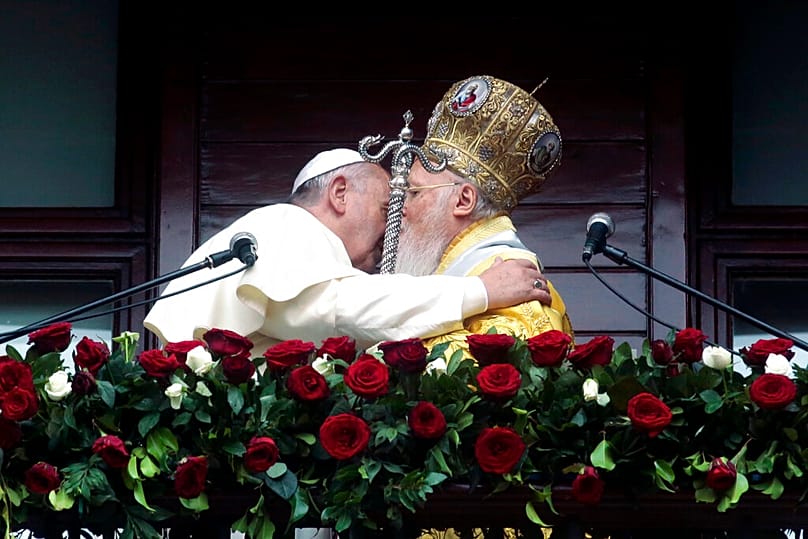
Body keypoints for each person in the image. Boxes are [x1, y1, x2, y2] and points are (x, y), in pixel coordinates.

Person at [143, 148, 553, 356]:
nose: (391, 229)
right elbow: (341, 310)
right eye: (385, 209)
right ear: (340, 193)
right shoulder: (286, 224)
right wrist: (480, 291)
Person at [394, 74, 575, 363]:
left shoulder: (518, 286)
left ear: (463, 201)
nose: (399, 208)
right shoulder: (465, 271)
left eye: (414, 193)